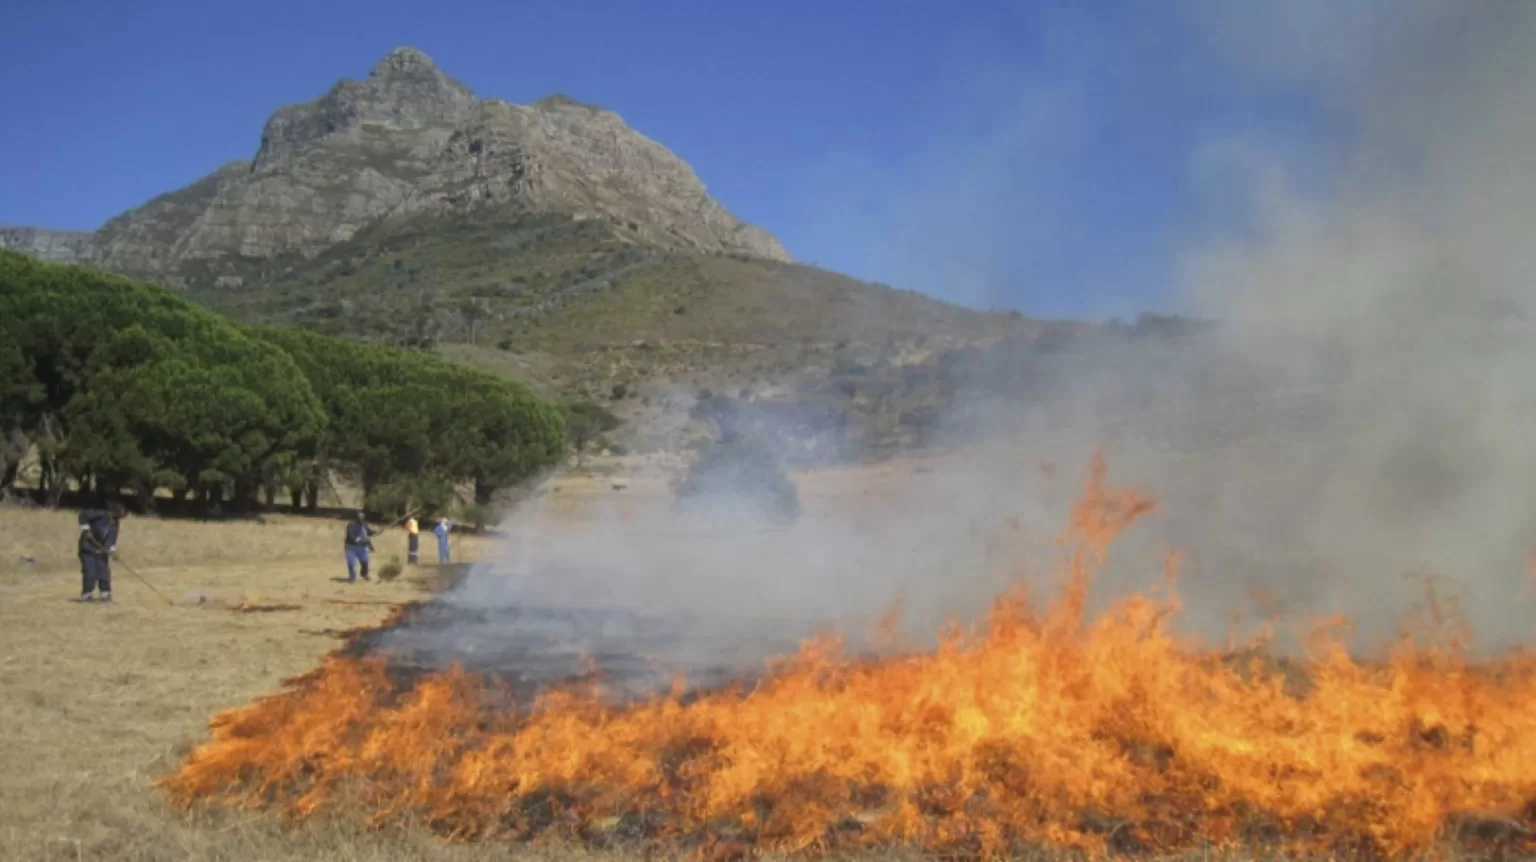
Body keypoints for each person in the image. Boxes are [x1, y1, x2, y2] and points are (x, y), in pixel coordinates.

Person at [77, 502, 124, 602]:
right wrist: (86, 529)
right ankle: (87, 594)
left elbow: (111, 539)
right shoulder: (99, 514)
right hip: (88, 548)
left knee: (104, 571)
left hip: (102, 550)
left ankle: (105, 593)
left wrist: (113, 551)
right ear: (112, 512)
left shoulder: (115, 524)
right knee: (90, 572)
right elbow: (83, 515)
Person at [343, 510, 379, 583]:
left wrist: (376, 532)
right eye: (360, 517)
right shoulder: (351, 525)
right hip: (351, 548)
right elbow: (352, 538)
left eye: (362, 517)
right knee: (351, 563)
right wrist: (363, 541)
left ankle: (364, 574)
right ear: (356, 517)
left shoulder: (364, 525)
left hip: (361, 548)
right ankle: (352, 578)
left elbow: (369, 532)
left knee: (365, 561)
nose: (361, 518)